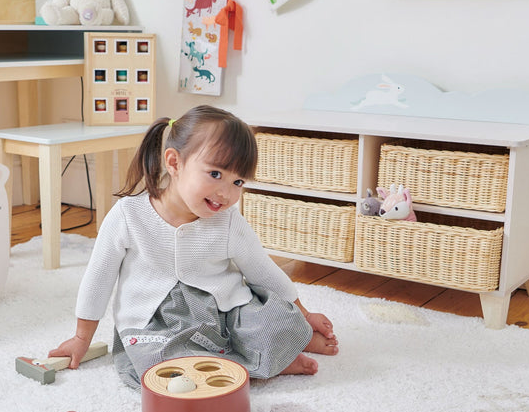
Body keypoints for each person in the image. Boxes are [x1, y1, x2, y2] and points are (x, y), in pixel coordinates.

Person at [48, 105, 339, 388]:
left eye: (238, 182)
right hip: (157, 322)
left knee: (274, 321)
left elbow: (264, 272)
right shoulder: (128, 215)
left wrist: (304, 315)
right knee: (159, 364)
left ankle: (278, 354)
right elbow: (98, 279)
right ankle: (259, 363)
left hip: (225, 314)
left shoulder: (229, 222)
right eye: (215, 174)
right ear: (174, 163)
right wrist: (81, 339)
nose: (226, 193)